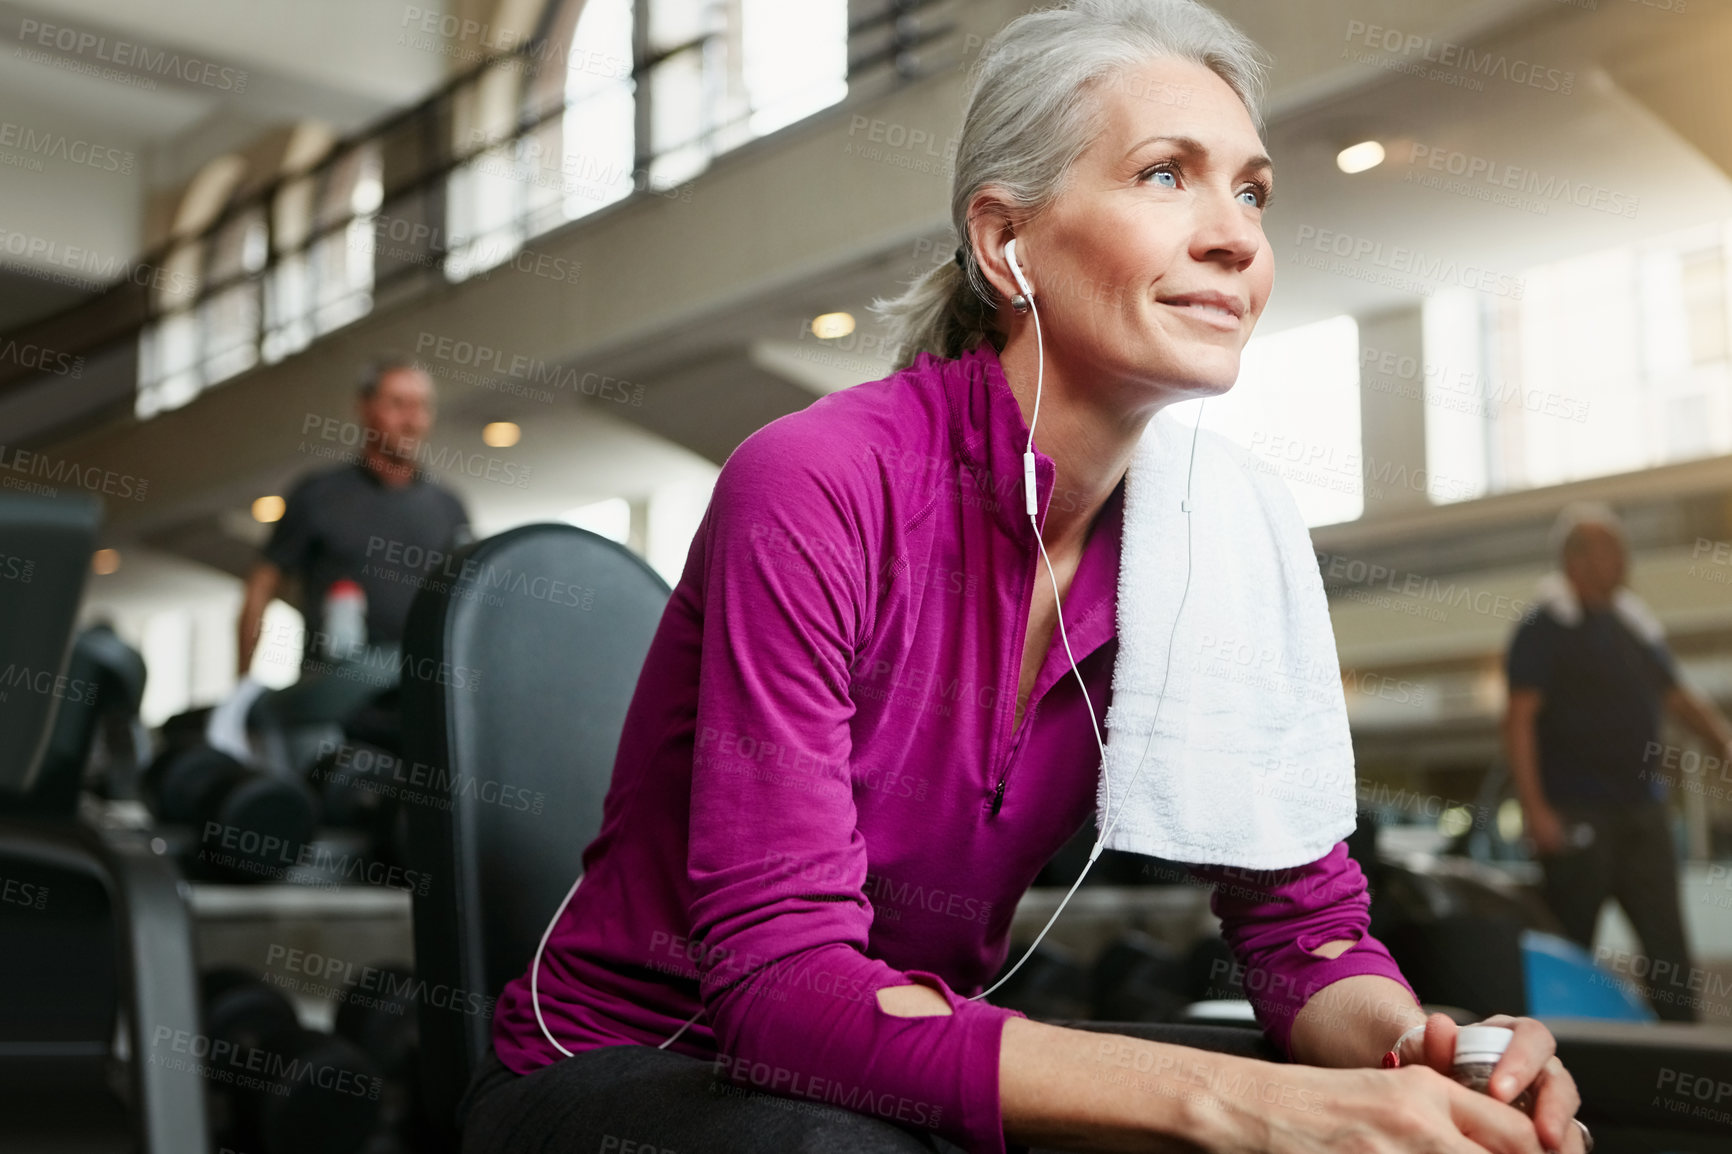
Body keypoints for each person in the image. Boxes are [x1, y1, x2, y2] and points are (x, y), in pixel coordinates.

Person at [463, 3, 1586, 1152]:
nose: (1236, 237)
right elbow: (783, 995)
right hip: (632, 1077)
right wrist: (1246, 1106)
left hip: (881, 1079)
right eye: (1165, 175)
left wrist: (1424, 1057)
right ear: (1006, 243)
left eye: (1251, 191)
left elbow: (1304, 934)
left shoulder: (1215, 537)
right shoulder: (815, 481)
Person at [1505, 503, 1732, 1022]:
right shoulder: (1543, 626)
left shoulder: (1632, 625)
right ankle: (1555, 1059)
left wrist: (1722, 739)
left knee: (1668, 949)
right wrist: (1537, 812)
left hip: (1642, 815)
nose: (1624, 560)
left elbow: (1676, 695)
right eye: (1611, 549)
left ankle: (1682, 1054)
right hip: (1576, 816)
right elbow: (1518, 721)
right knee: (1569, 947)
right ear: (1576, 560)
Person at [236, 356, 471, 677]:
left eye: (422, 407)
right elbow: (261, 586)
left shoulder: (448, 507)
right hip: (334, 699)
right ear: (365, 407)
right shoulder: (318, 495)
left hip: (419, 697)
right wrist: (243, 688)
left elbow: (470, 604)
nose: (412, 420)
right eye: (398, 404)